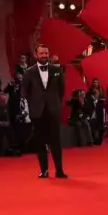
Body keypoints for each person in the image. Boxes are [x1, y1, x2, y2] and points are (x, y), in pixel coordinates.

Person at [21, 43, 67, 178]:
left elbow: (61, 90)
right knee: (40, 141)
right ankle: (44, 170)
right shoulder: (29, 72)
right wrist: (32, 105)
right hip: (37, 111)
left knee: (56, 141)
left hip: (53, 110)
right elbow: (25, 91)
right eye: (41, 53)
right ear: (36, 55)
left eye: (46, 53)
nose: (44, 56)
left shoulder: (57, 70)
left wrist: (55, 103)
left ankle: (59, 170)